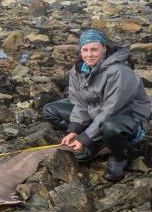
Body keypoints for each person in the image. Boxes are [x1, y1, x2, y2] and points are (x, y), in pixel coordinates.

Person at [43, 28, 150, 182]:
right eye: (85, 50)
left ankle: (121, 155)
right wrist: (74, 130)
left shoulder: (119, 71)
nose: (89, 54)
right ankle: (98, 143)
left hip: (127, 118)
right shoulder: (78, 70)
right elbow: (79, 104)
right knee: (50, 110)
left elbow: (110, 110)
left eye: (94, 49)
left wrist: (85, 138)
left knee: (110, 127)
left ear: (104, 48)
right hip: (97, 114)